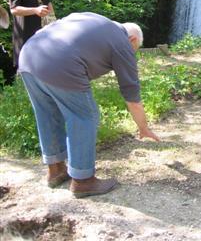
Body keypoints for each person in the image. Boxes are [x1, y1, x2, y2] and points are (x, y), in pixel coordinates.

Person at [18, 12, 160, 198]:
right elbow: (132, 95)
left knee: (47, 114)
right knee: (84, 116)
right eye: (135, 49)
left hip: (29, 55)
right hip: (60, 63)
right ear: (132, 39)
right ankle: (83, 181)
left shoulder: (93, 19)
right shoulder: (122, 42)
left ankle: (55, 170)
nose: (132, 53)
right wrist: (143, 128)